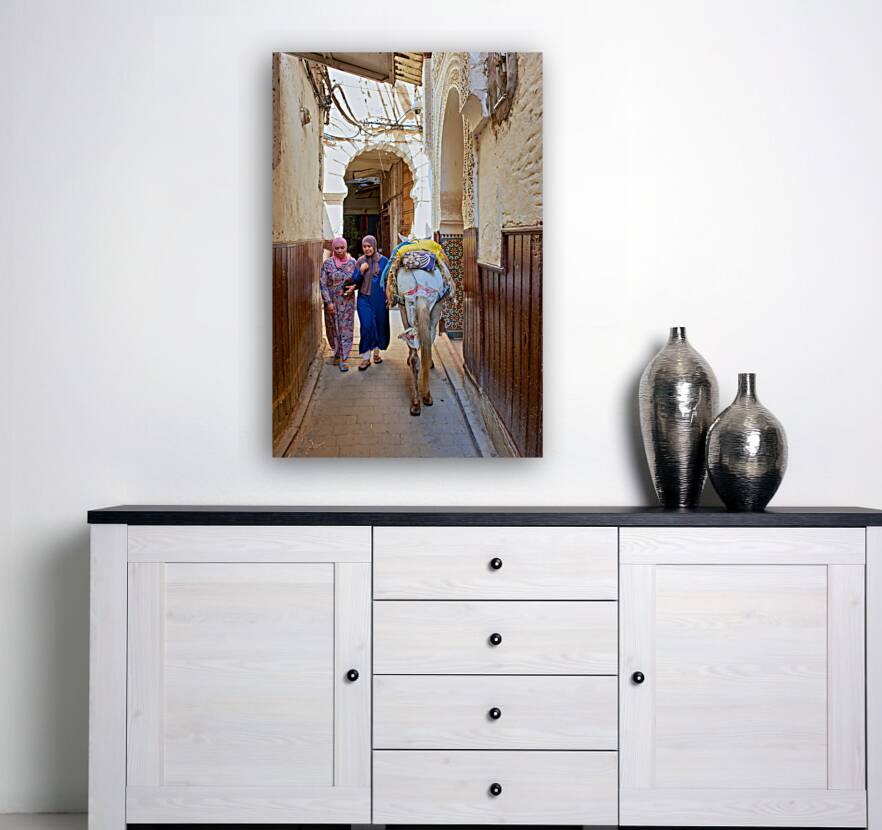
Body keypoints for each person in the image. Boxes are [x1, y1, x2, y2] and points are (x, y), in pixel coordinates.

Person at [353, 235, 390, 371]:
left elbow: (388, 280)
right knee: (366, 326)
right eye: (364, 246)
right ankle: (365, 358)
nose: (367, 249)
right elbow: (355, 280)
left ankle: (376, 354)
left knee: (379, 325)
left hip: (379, 299)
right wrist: (361, 271)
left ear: (374, 246)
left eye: (369, 246)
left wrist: (389, 297)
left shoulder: (384, 261)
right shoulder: (360, 261)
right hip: (364, 299)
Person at [319, 236, 357, 371]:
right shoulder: (328, 264)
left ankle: (344, 357)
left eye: (342, 248)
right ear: (333, 249)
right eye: (337, 248)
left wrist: (354, 287)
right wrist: (328, 302)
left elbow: (358, 280)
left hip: (347, 302)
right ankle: (336, 350)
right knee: (333, 327)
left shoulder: (353, 263)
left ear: (346, 248)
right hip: (332, 302)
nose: (340, 250)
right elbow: (323, 284)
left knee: (345, 328)